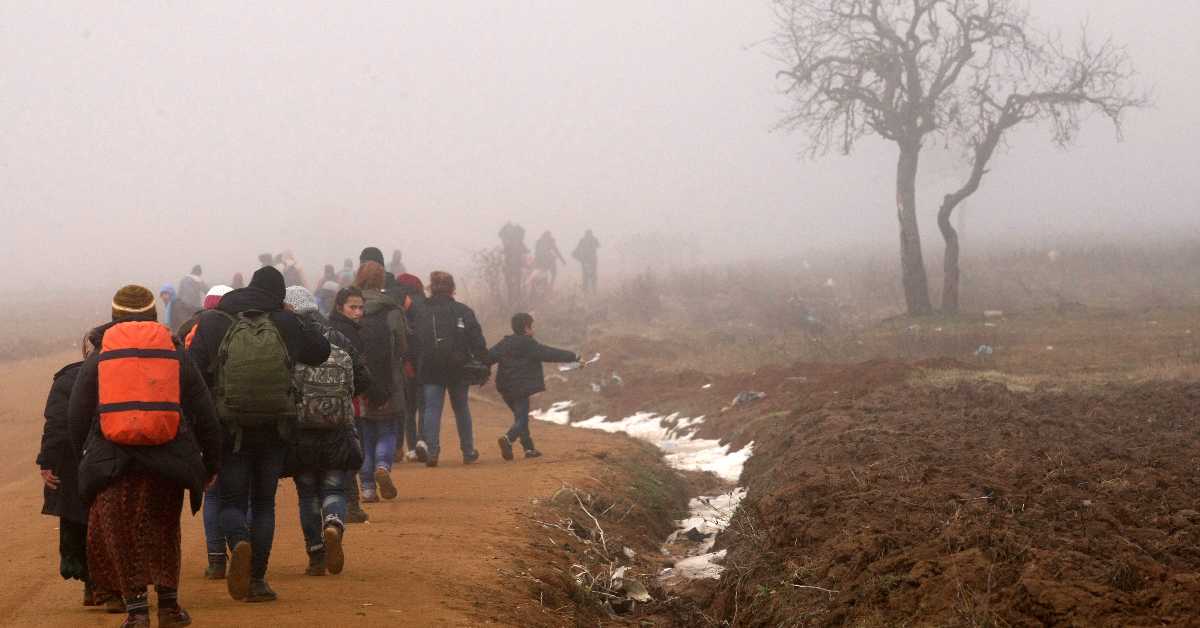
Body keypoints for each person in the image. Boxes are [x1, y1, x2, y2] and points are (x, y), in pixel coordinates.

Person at [68, 285, 221, 628]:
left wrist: (86, 454)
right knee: (163, 529)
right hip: (167, 458)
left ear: (113, 317)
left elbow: (76, 413)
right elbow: (205, 411)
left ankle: (136, 611)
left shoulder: (100, 355)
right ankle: (169, 607)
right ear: (154, 315)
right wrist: (211, 461)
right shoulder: (174, 352)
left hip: (113, 459)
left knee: (122, 534)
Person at [187, 266, 331, 603]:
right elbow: (320, 351)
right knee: (264, 503)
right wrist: (298, 318)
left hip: (228, 428)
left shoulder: (212, 321)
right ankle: (257, 582)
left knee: (231, 499)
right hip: (275, 428)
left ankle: (238, 541)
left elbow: (192, 375)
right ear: (279, 296)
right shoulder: (284, 321)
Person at [283, 287, 370, 577]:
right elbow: (363, 377)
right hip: (338, 429)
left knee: (307, 493)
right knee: (334, 488)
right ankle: (333, 523)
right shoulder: (337, 336)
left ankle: (316, 555)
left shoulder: (288, 338)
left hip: (301, 431)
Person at [38, 332, 122, 612]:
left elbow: (56, 423)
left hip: (73, 461)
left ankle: (92, 585)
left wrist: (48, 461)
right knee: (109, 522)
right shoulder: (122, 372)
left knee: (80, 520)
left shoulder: (67, 378)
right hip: (110, 458)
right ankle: (106, 586)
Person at [175, 284, 234, 580]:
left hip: (198, 419)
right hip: (236, 416)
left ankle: (216, 561)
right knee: (238, 491)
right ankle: (241, 544)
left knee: (212, 492)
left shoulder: (187, 329)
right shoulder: (241, 327)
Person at [414, 271, 486, 467]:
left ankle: (433, 451)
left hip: (430, 366)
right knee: (461, 408)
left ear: (431, 287)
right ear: (453, 289)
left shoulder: (421, 310)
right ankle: (468, 451)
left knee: (432, 409)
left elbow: (414, 340)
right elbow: (476, 339)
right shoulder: (463, 310)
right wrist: (483, 361)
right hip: (458, 366)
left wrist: (414, 363)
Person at [485, 313, 580, 460]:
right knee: (522, 419)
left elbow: (487, 357)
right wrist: (573, 356)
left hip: (504, 386)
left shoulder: (504, 343)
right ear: (526, 328)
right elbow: (549, 353)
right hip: (521, 387)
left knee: (520, 418)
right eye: (531, 326)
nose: (533, 330)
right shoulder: (529, 344)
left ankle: (529, 449)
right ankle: (508, 439)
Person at [353, 262, 408, 500]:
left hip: (360, 380)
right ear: (381, 281)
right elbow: (403, 346)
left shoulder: (353, 307)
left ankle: (366, 487)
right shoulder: (392, 310)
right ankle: (383, 467)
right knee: (387, 429)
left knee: (364, 434)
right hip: (389, 379)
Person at [328, 287, 372, 523]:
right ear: (340, 307)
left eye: (360, 307)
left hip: (330, 401)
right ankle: (350, 506)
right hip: (346, 401)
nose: (357, 312)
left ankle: (347, 506)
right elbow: (359, 372)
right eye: (352, 307)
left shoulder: (331, 328)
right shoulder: (345, 334)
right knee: (351, 452)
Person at [393, 273, 426, 461]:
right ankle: (424, 441)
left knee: (408, 408)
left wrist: (405, 360)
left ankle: (412, 447)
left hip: (406, 363)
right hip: (425, 362)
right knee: (424, 406)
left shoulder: (399, 305)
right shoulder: (425, 304)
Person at [498, 222, 528, 306]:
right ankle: (517, 300)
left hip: (510, 266)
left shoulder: (509, 241)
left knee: (510, 285)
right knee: (516, 284)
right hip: (516, 266)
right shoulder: (518, 241)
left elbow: (504, 251)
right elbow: (525, 250)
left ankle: (511, 301)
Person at [573, 229, 601, 294]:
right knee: (592, 275)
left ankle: (587, 290)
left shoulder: (583, 240)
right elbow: (598, 245)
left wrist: (580, 258)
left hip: (586, 260)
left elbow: (576, 250)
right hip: (590, 260)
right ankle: (593, 290)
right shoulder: (593, 239)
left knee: (586, 275)